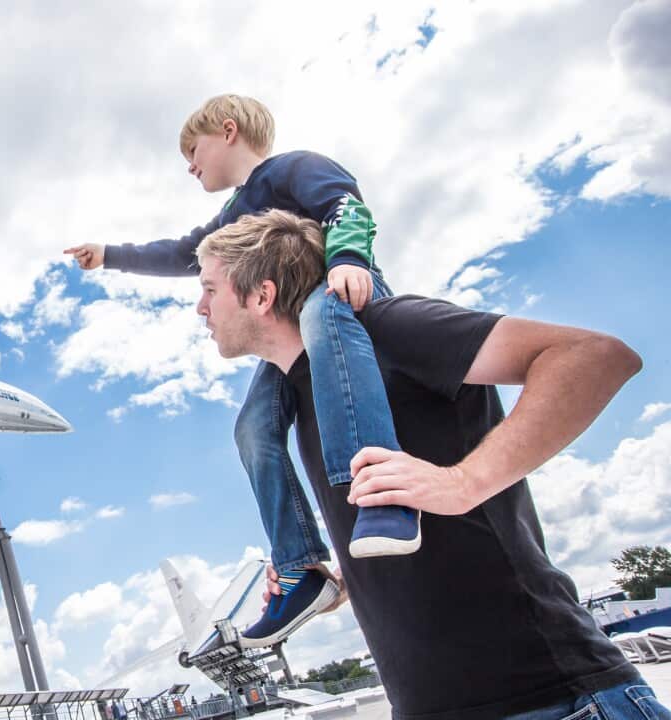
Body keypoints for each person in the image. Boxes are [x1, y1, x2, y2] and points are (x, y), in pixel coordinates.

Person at [195, 208, 661, 719]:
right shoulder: (301, 400)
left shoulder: (382, 329)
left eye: (210, 290)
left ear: (261, 296)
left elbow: (594, 357)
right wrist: (345, 583)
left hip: (555, 699)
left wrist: (463, 482)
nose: (200, 308)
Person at [64, 94, 408, 648]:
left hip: (341, 294)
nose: (189, 164)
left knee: (321, 315)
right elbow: (183, 253)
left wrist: (347, 259)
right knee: (252, 426)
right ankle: (300, 567)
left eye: (192, 149)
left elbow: (348, 208)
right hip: (293, 329)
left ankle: (380, 494)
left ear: (228, 132)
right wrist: (109, 254)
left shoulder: (295, 169)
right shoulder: (232, 217)